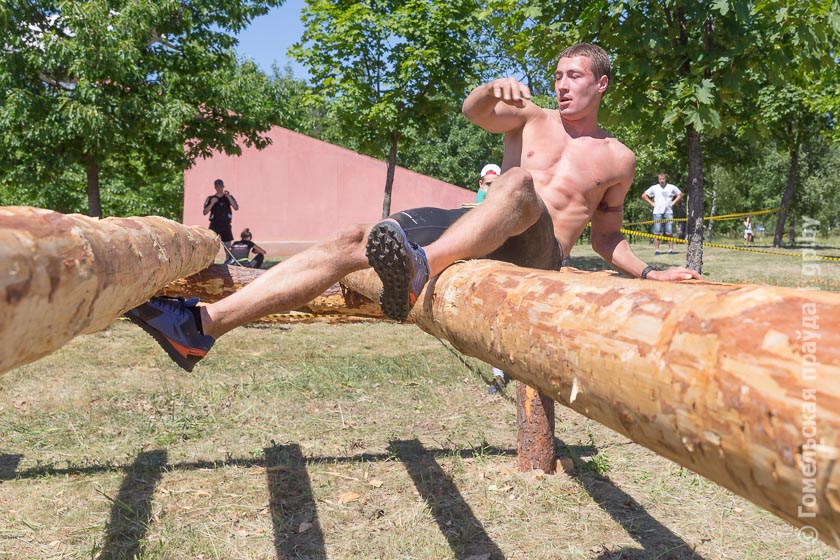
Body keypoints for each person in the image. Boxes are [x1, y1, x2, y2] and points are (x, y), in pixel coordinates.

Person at [125, 43, 701, 372]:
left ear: (602, 84)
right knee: (353, 238)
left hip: (537, 254)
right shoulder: (531, 117)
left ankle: (421, 265)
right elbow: (474, 111)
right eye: (557, 76)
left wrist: (650, 272)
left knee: (519, 182)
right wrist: (490, 88)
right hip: (479, 229)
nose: (562, 85)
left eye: (574, 76)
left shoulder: (618, 158)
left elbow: (606, 238)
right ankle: (201, 327)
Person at [474, 163, 509, 394]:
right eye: (488, 184)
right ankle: (498, 373)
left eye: (497, 185)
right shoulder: (477, 205)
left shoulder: (506, 205)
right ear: (481, 184)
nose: (491, 189)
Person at [642, 173, 683, 256]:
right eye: (660, 179)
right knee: (657, 231)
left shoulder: (671, 187)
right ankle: (657, 250)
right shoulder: (654, 188)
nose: (662, 180)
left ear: (665, 179)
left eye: (663, 179)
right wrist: (651, 203)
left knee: (669, 231)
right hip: (657, 212)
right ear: (658, 180)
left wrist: (673, 203)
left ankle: (670, 250)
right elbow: (644, 195)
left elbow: (680, 194)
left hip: (668, 212)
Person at [203, 179, 239, 250]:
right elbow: (205, 212)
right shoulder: (210, 198)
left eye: (220, 186)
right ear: (215, 187)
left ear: (223, 186)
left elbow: (236, 207)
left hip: (226, 224)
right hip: (214, 225)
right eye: (217, 186)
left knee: (228, 247)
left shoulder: (228, 197)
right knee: (212, 246)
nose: (219, 188)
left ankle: (228, 257)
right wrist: (212, 203)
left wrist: (229, 197)